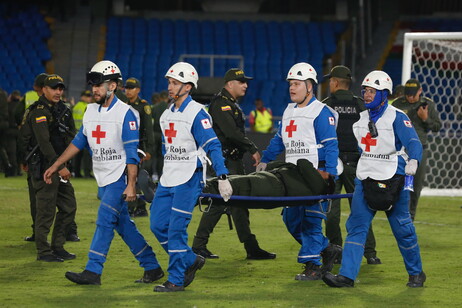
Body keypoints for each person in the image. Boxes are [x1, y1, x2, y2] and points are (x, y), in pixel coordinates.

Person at [43, 60, 163, 285]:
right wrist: (56, 164)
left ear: (113, 86)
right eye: (93, 85)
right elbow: (79, 141)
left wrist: (131, 184)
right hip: (103, 177)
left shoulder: (126, 113)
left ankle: (93, 271)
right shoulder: (90, 110)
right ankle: (152, 267)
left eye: (99, 84)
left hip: (119, 177)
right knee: (123, 225)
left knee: (105, 220)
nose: (94, 89)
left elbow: (131, 153)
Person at [323, 70, 426, 288]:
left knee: (403, 228)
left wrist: (414, 160)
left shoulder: (398, 117)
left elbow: (414, 143)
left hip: (395, 179)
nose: (367, 95)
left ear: (384, 94)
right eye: (365, 90)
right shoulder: (359, 120)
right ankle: (347, 276)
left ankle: (416, 273)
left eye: (372, 91)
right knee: (357, 226)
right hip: (366, 177)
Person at [149, 62, 232, 292]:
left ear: (188, 87)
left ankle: (176, 279)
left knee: (176, 231)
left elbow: (213, 145)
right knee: (156, 225)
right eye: (169, 82)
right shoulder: (166, 114)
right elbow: (168, 149)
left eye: (174, 83)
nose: (170, 86)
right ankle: (190, 259)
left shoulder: (198, 113)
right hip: (169, 178)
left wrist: (222, 175)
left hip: (189, 178)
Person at [256, 62, 341, 281]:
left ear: (309, 86)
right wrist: (265, 159)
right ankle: (327, 248)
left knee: (311, 221)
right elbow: (279, 139)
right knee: (291, 220)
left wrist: (329, 174)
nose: (292, 88)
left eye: (297, 84)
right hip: (292, 177)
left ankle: (312, 266)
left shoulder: (321, 112)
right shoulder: (288, 110)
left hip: (315, 176)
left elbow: (331, 145)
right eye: (291, 84)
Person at [191, 68, 275, 260]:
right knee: (222, 200)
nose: (245, 85)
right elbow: (231, 133)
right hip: (226, 161)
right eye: (242, 81)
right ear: (230, 84)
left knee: (238, 202)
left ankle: (250, 247)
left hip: (233, 159)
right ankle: (199, 244)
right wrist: (253, 148)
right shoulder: (221, 104)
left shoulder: (231, 104)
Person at [322, 65, 381, 265]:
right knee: (362, 209)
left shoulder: (326, 105)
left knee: (331, 211)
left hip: (333, 166)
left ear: (335, 82)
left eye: (331, 80)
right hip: (357, 165)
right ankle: (371, 253)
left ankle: (335, 251)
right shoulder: (360, 105)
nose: (329, 83)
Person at [21, 74, 77, 262]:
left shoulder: (61, 110)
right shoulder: (38, 111)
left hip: (57, 165)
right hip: (45, 167)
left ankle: (57, 246)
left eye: (60, 88)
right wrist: (59, 166)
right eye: (54, 88)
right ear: (44, 89)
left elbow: (69, 135)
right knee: (45, 211)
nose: (58, 92)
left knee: (69, 206)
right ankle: (43, 252)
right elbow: (44, 142)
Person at [392, 78, 441, 220]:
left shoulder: (427, 105)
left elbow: (437, 127)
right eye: (408, 94)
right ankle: (395, 212)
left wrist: (425, 118)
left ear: (420, 91)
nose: (410, 97)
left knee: (415, 185)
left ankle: (410, 216)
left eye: (413, 94)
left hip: (420, 151)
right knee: (396, 183)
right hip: (400, 151)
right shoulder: (397, 104)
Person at [17, 73, 48, 242]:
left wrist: (23, 159)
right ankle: (69, 232)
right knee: (64, 199)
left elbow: (23, 135)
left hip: (36, 160)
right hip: (57, 161)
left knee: (36, 198)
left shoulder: (32, 108)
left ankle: (39, 234)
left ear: (38, 88)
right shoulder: (63, 108)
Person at [124, 77, 155, 217]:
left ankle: (133, 207)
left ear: (138, 90)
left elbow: (149, 129)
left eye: (131, 88)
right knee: (129, 175)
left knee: (135, 176)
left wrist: (148, 150)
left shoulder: (143, 106)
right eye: (127, 88)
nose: (128, 91)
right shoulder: (123, 105)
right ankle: (139, 208)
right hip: (126, 145)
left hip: (139, 145)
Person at [71, 90, 92, 178]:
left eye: (90, 96)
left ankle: (77, 172)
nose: (89, 98)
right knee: (86, 155)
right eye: (87, 96)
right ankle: (87, 173)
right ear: (82, 97)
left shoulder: (76, 106)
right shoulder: (87, 107)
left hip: (76, 133)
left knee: (77, 156)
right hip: (84, 134)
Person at [151, 90, 168, 182]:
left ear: (160, 98)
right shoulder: (169, 108)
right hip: (164, 135)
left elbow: (151, 121)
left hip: (154, 134)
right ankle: (161, 174)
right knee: (162, 155)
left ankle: (154, 174)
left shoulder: (154, 107)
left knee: (154, 156)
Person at [6, 90, 22, 176]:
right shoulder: (20, 106)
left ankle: (13, 170)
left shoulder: (8, 106)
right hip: (19, 130)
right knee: (19, 151)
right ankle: (19, 170)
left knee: (12, 151)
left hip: (10, 130)